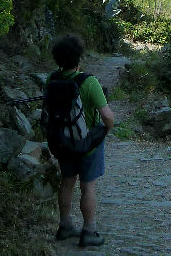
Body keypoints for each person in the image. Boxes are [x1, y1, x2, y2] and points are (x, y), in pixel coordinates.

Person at [50, 34, 115, 247]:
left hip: (63, 142)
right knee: (88, 187)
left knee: (67, 183)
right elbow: (106, 116)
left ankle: (65, 226)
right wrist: (108, 128)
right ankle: (89, 231)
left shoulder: (52, 80)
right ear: (79, 57)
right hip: (86, 145)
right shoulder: (89, 82)